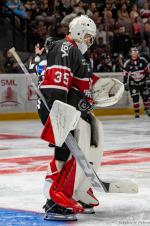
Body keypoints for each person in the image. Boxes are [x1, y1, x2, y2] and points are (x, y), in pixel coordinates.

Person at [37, 15, 124, 221]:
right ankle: (55, 200)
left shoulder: (77, 54)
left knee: (80, 150)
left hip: (71, 110)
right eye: (87, 37)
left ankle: (76, 190)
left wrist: (102, 87)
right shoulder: (65, 48)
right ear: (77, 32)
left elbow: (83, 83)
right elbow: (56, 86)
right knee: (68, 152)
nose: (89, 41)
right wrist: (60, 117)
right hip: (61, 109)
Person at [123, 47, 150, 118]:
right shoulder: (127, 63)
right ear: (131, 54)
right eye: (133, 53)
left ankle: (147, 109)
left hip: (143, 83)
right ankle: (137, 114)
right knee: (135, 98)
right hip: (133, 84)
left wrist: (148, 79)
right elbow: (125, 74)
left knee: (146, 97)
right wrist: (125, 83)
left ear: (138, 53)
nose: (134, 54)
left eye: (136, 53)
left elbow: (147, 71)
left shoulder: (143, 60)